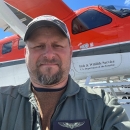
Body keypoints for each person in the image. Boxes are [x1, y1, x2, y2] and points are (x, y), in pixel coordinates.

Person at [0, 15, 130, 130]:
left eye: (58, 45)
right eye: (38, 46)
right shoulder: (2, 102)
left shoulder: (104, 104)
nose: (49, 55)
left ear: (70, 52)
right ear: (26, 54)